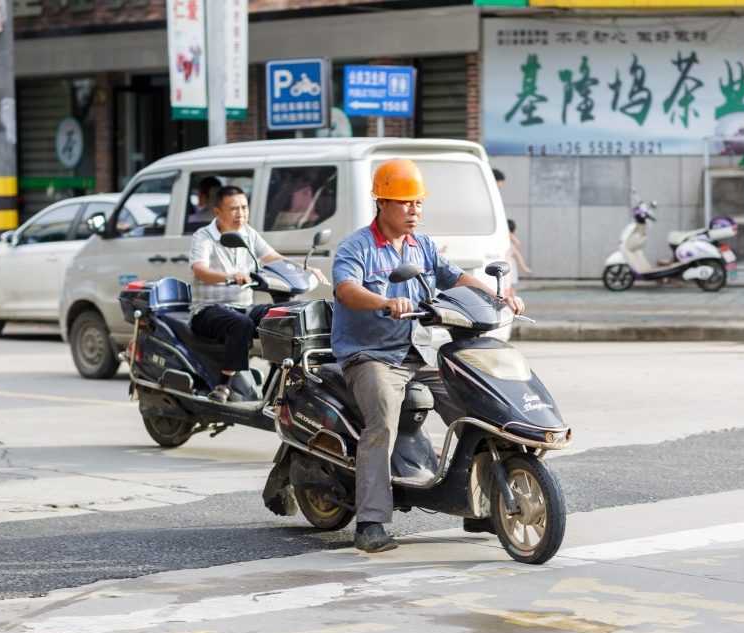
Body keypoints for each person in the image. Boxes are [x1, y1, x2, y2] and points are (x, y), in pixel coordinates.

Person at [331, 158, 525, 553]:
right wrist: (385, 302)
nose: (414, 211)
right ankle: (370, 522)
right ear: (381, 202)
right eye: (405, 203)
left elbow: (456, 277)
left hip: (417, 352)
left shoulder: (423, 246)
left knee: (476, 406)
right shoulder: (358, 246)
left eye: (418, 203)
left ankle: (478, 503)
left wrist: (497, 295)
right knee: (381, 423)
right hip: (371, 356)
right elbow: (345, 289)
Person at [189, 185, 324, 403]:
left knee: (284, 315)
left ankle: (277, 380)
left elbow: (273, 258)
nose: (241, 213)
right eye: (234, 209)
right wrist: (229, 276)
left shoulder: (248, 234)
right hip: (208, 310)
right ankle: (224, 385)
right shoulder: (203, 237)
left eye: (244, 207)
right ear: (217, 212)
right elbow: (199, 270)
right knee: (241, 324)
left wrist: (304, 268)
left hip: (242, 306)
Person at [505, 219, 532, 297]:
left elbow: (518, 249)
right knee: (509, 289)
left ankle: (514, 304)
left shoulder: (511, 243)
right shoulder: (507, 243)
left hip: (510, 269)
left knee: (510, 289)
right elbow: (518, 252)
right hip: (508, 269)